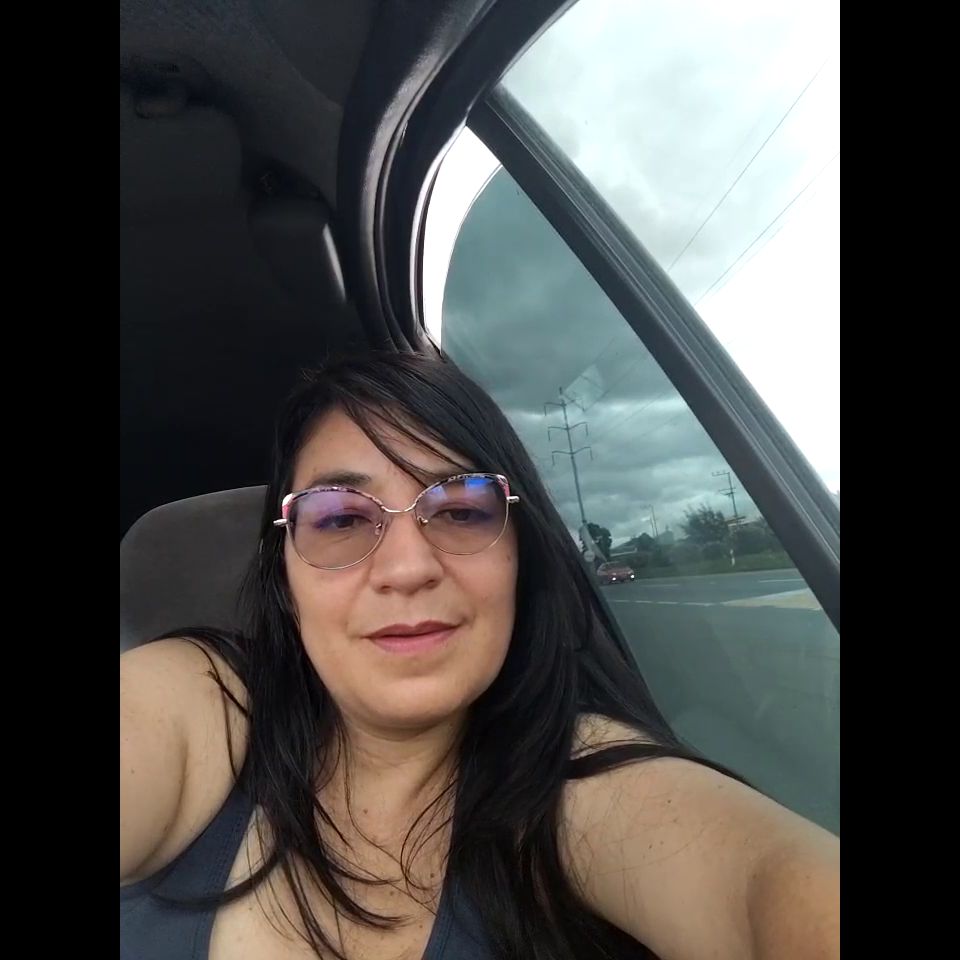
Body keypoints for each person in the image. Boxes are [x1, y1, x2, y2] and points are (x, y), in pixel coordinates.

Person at [120, 352, 839, 960]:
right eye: (339, 518)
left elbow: (766, 886)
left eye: (461, 509)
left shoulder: (579, 790)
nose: (408, 568)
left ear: (518, 558)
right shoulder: (204, 700)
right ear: (285, 577)